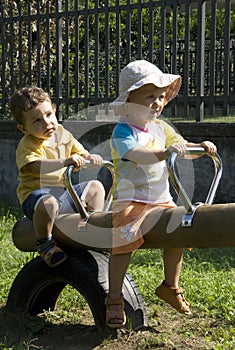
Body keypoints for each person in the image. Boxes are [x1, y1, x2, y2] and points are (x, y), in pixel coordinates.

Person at [106, 60, 217, 328]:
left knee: (177, 232)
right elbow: (137, 156)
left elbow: (181, 147)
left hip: (160, 199)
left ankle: (170, 285)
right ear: (129, 101)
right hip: (131, 199)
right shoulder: (123, 131)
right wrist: (165, 153)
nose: (157, 103)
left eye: (160, 97)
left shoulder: (161, 128)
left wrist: (198, 147)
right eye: (149, 97)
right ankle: (114, 297)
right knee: (123, 240)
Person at [10, 86, 105, 268]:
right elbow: (35, 166)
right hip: (36, 196)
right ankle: (45, 243)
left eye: (48, 115)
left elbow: (81, 153)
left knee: (95, 187)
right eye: (37, 121)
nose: (46, 123)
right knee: (49, 203)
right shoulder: (28, 144)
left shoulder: (62, 134)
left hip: (62, 192)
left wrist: (89, 158)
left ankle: (92, 228)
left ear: (54, 111)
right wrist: (66, 161)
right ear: (23, 128)